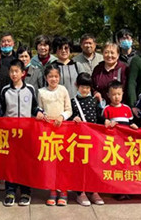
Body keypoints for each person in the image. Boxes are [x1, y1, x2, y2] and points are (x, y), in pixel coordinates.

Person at [0, 59, 43, 207]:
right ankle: (10, 191)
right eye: (11, 71)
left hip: (26, 133)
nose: (14, 74)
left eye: (16, 71)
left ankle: (25, 192)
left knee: (25, 163)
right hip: (9, 134)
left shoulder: (30, 89)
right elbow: (1, 108)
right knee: (10, 163)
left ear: (23, 73)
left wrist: (39, 112)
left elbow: (35, 106)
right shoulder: (5, 90)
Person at [37, 64, 72, 206]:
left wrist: (62, 117)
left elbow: (69, 109)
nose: (53, 79)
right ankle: (52, 190)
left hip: (62, 130)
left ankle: (63, 191)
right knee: (50, 162)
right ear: (46, 78)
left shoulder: (63, 90)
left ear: (60, 77)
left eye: (56, 76)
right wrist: (41, 115)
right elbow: (39, 109)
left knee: (62, 162)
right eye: (50, 76)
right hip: (47, 132)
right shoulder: (41, 92)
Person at [70, 72, 104, 207]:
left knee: (94, 166)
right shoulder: (73, 102)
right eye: (83, 87)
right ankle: (81, 192)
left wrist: (106, 121)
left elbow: (99, 117)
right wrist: (73, 119)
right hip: (79, 141)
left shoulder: (93, 101)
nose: (85, 90)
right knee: (80, 166)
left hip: (93, 139)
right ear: (76, 85)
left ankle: (94, 191)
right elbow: (68, 118)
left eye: (88, 87)